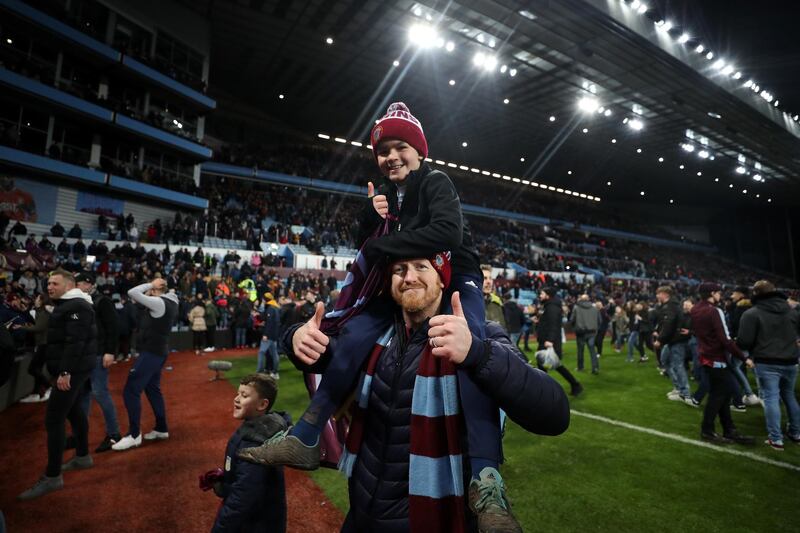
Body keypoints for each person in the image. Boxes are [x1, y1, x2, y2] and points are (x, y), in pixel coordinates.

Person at [248, 103, 504, 500]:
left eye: (400, 146)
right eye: (382, 151)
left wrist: (382, 243)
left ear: (420, 152)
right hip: (403, 278)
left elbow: (447, 234)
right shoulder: (385, 194)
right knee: (352, 336)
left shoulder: (435, 181)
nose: (390, 157)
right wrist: (368, 217)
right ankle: (307, 432)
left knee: (468, 351)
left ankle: (487, 476)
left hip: (457, 279)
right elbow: (363, 242)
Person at [243, 254, 569, 532]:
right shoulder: (368, 340)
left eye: (421, 267)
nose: (409, 278)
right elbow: (321, 351)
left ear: (444, 279)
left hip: (433, 522)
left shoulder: (480, 337)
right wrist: (294, 338)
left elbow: (555, 413)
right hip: (362, 516)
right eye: (400, 270)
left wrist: (479, 354)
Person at [18, 270, 96, 500]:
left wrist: (64, 372)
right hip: (73, 369)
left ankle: (53, 477)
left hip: (72, 371)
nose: (49, 286)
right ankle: (82, 456)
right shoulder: (70, 304)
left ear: (69, 285)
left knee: (54, 418)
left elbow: (75, 342)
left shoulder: (77, 306)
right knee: (74, 411)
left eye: (55, 283)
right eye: (48, 282)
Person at [211, 374, 289, 532]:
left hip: (255, 524)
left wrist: (220, 529)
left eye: (244, 395)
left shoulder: (255, 444)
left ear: (262, 404)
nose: (236, 399)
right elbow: (247, 481)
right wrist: (226, 483)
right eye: (238, 393)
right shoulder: (255, 430)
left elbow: (243, 496)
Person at [113, 277, 179, 451]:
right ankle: (161, 428)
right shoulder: (170, 302)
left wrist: (150, 284)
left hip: (151, 352)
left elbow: (132, 293)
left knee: (131, 390)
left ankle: (134, 435)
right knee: (152, 389)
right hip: (159, 351)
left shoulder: (159, 302)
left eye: (151, 288)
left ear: (157, 289)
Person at [736, 280, 800, 450]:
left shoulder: (752, 313)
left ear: (756, 294)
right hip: (791, 361)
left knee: (771, 398)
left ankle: (776, 438)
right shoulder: (792, 312)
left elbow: (744, 342)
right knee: (789, 396)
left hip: (767, 361)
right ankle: (796, 433)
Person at [690, 282, 755, 445]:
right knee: (719, 394)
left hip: (706, 356)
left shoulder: (695, 309)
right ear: (712, 293)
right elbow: (725, 339)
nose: (720, 295)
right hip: (717, 358)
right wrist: (744, 357)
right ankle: (708, 430)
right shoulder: (714, 311)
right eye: (718, 292)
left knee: (723, 394)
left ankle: (729, 429)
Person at [75, 272, 122, 452]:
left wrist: (110, 351)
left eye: (78, 283)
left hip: (98, 353)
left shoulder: (102, 301)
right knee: (83, 393)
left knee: (100, 392)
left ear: (88, 284)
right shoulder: (81, 302)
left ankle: (114, 434)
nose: (75, 286)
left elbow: (113, 327)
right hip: (85, 355)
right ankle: (80, 433)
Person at [537, 287, 583, 395]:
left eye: (542, 294)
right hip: (546, 341)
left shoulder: (552, 308)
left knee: (552, 366)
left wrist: (550, 340)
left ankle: (574, 385)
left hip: (548, 343)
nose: (540, 296)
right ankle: (545, 389)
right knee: (546, 366)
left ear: (548, 295)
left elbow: (554, 325)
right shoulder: (549, 306)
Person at [653, 286, 693, 404]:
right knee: (665, 361)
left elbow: (668, 324)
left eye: (658, 293)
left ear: (665, 294)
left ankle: (685, 393)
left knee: (678, 365)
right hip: (672, 340)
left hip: (676, 340)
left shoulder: (671, 306)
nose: (657, 296)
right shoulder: (670, 306)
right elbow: (665, 323)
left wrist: (660, 339)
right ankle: (678, 388)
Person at [16, 294, 52, 403]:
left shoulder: (44, 312)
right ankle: (36, 393)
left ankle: (50, 387)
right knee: (37, 369)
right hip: (43, 344)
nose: (35, 300)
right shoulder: (40, 311)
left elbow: (38, 327)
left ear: (41, 301)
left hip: (44, 345)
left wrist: (21, 327)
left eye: (37, 299)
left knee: (32, 369)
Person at [570, 293, 601, 374]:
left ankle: (580, 367)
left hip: (581, 332)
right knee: (592, 350)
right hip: (592, 332)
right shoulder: (595, 308)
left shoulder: (576, 308)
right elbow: (599, 321)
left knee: (580, 350)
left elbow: (572, 319)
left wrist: (575, 328)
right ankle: (595, 368)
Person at [257, 293, 281, 378]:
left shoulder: (271, 308)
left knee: (261, 352)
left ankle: (259, 371)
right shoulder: (276, 307)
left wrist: (266, 334)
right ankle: (275, 372)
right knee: (274, 354)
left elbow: (270, 322)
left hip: (269, 335)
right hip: (275, 335)